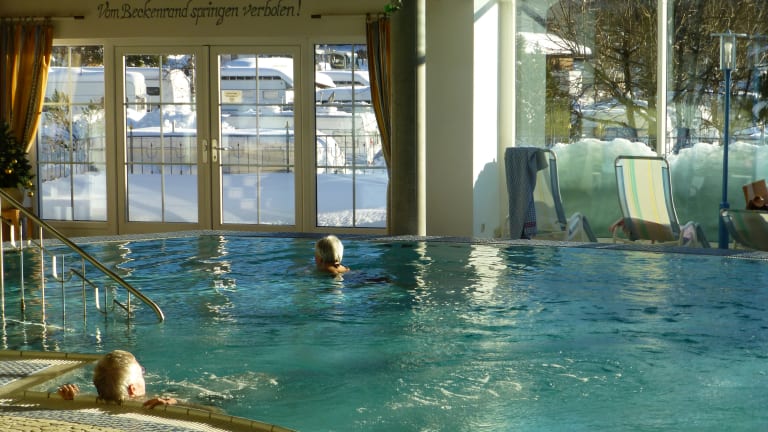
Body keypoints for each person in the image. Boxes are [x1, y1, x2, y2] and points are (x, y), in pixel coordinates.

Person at [57, 349, 176, 409]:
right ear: (133, 389)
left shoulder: (93, 402)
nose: (144, 375)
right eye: (142, 373)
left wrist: (74, 398)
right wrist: (172, 402)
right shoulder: (148, 404)